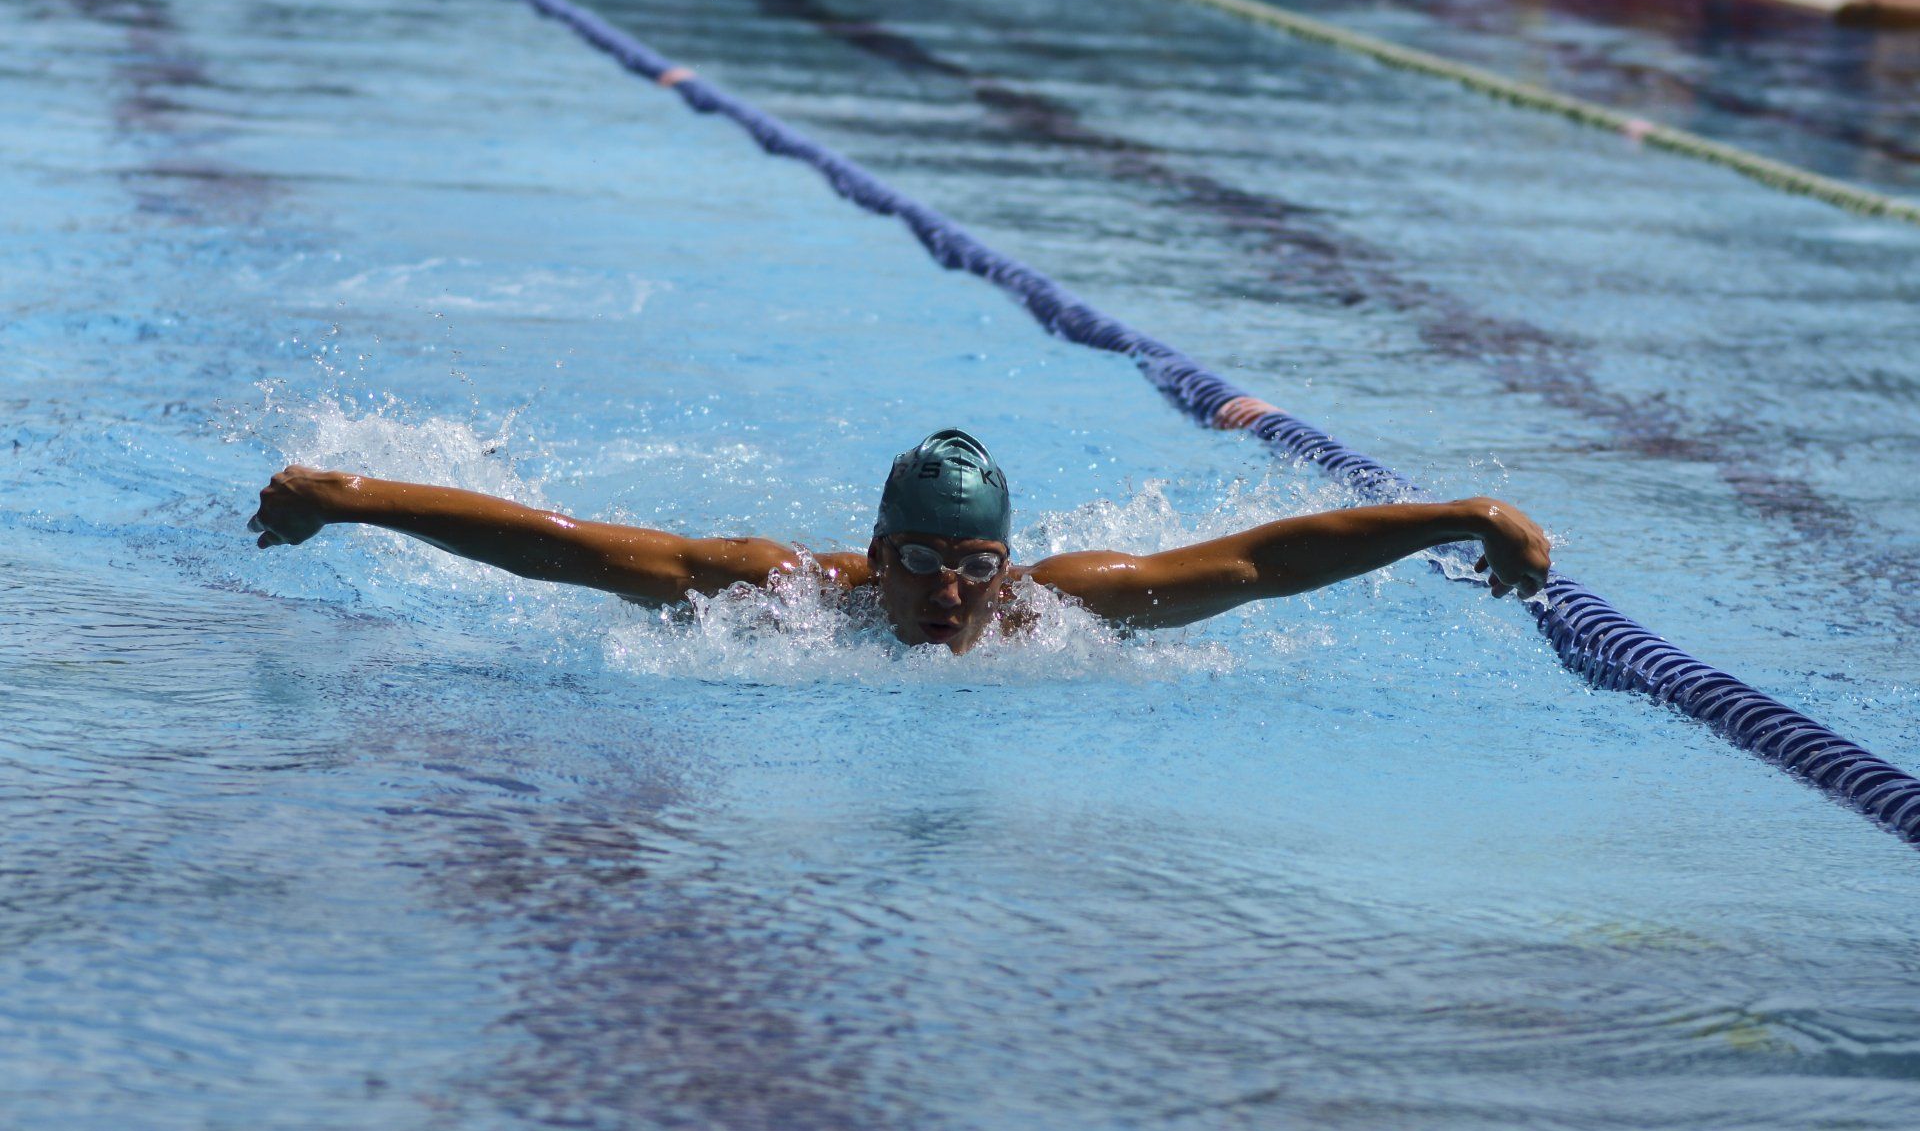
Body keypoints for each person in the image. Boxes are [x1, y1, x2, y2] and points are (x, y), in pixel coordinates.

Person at [249, 428, 1551, 654]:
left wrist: (1461, 512)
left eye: (973, 568)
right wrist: (352, 496)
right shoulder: (782, 600)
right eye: (921, 564)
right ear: (876, 559)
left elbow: (1268, 559)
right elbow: (566, 546)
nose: (948, 595)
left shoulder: (1056, 610)